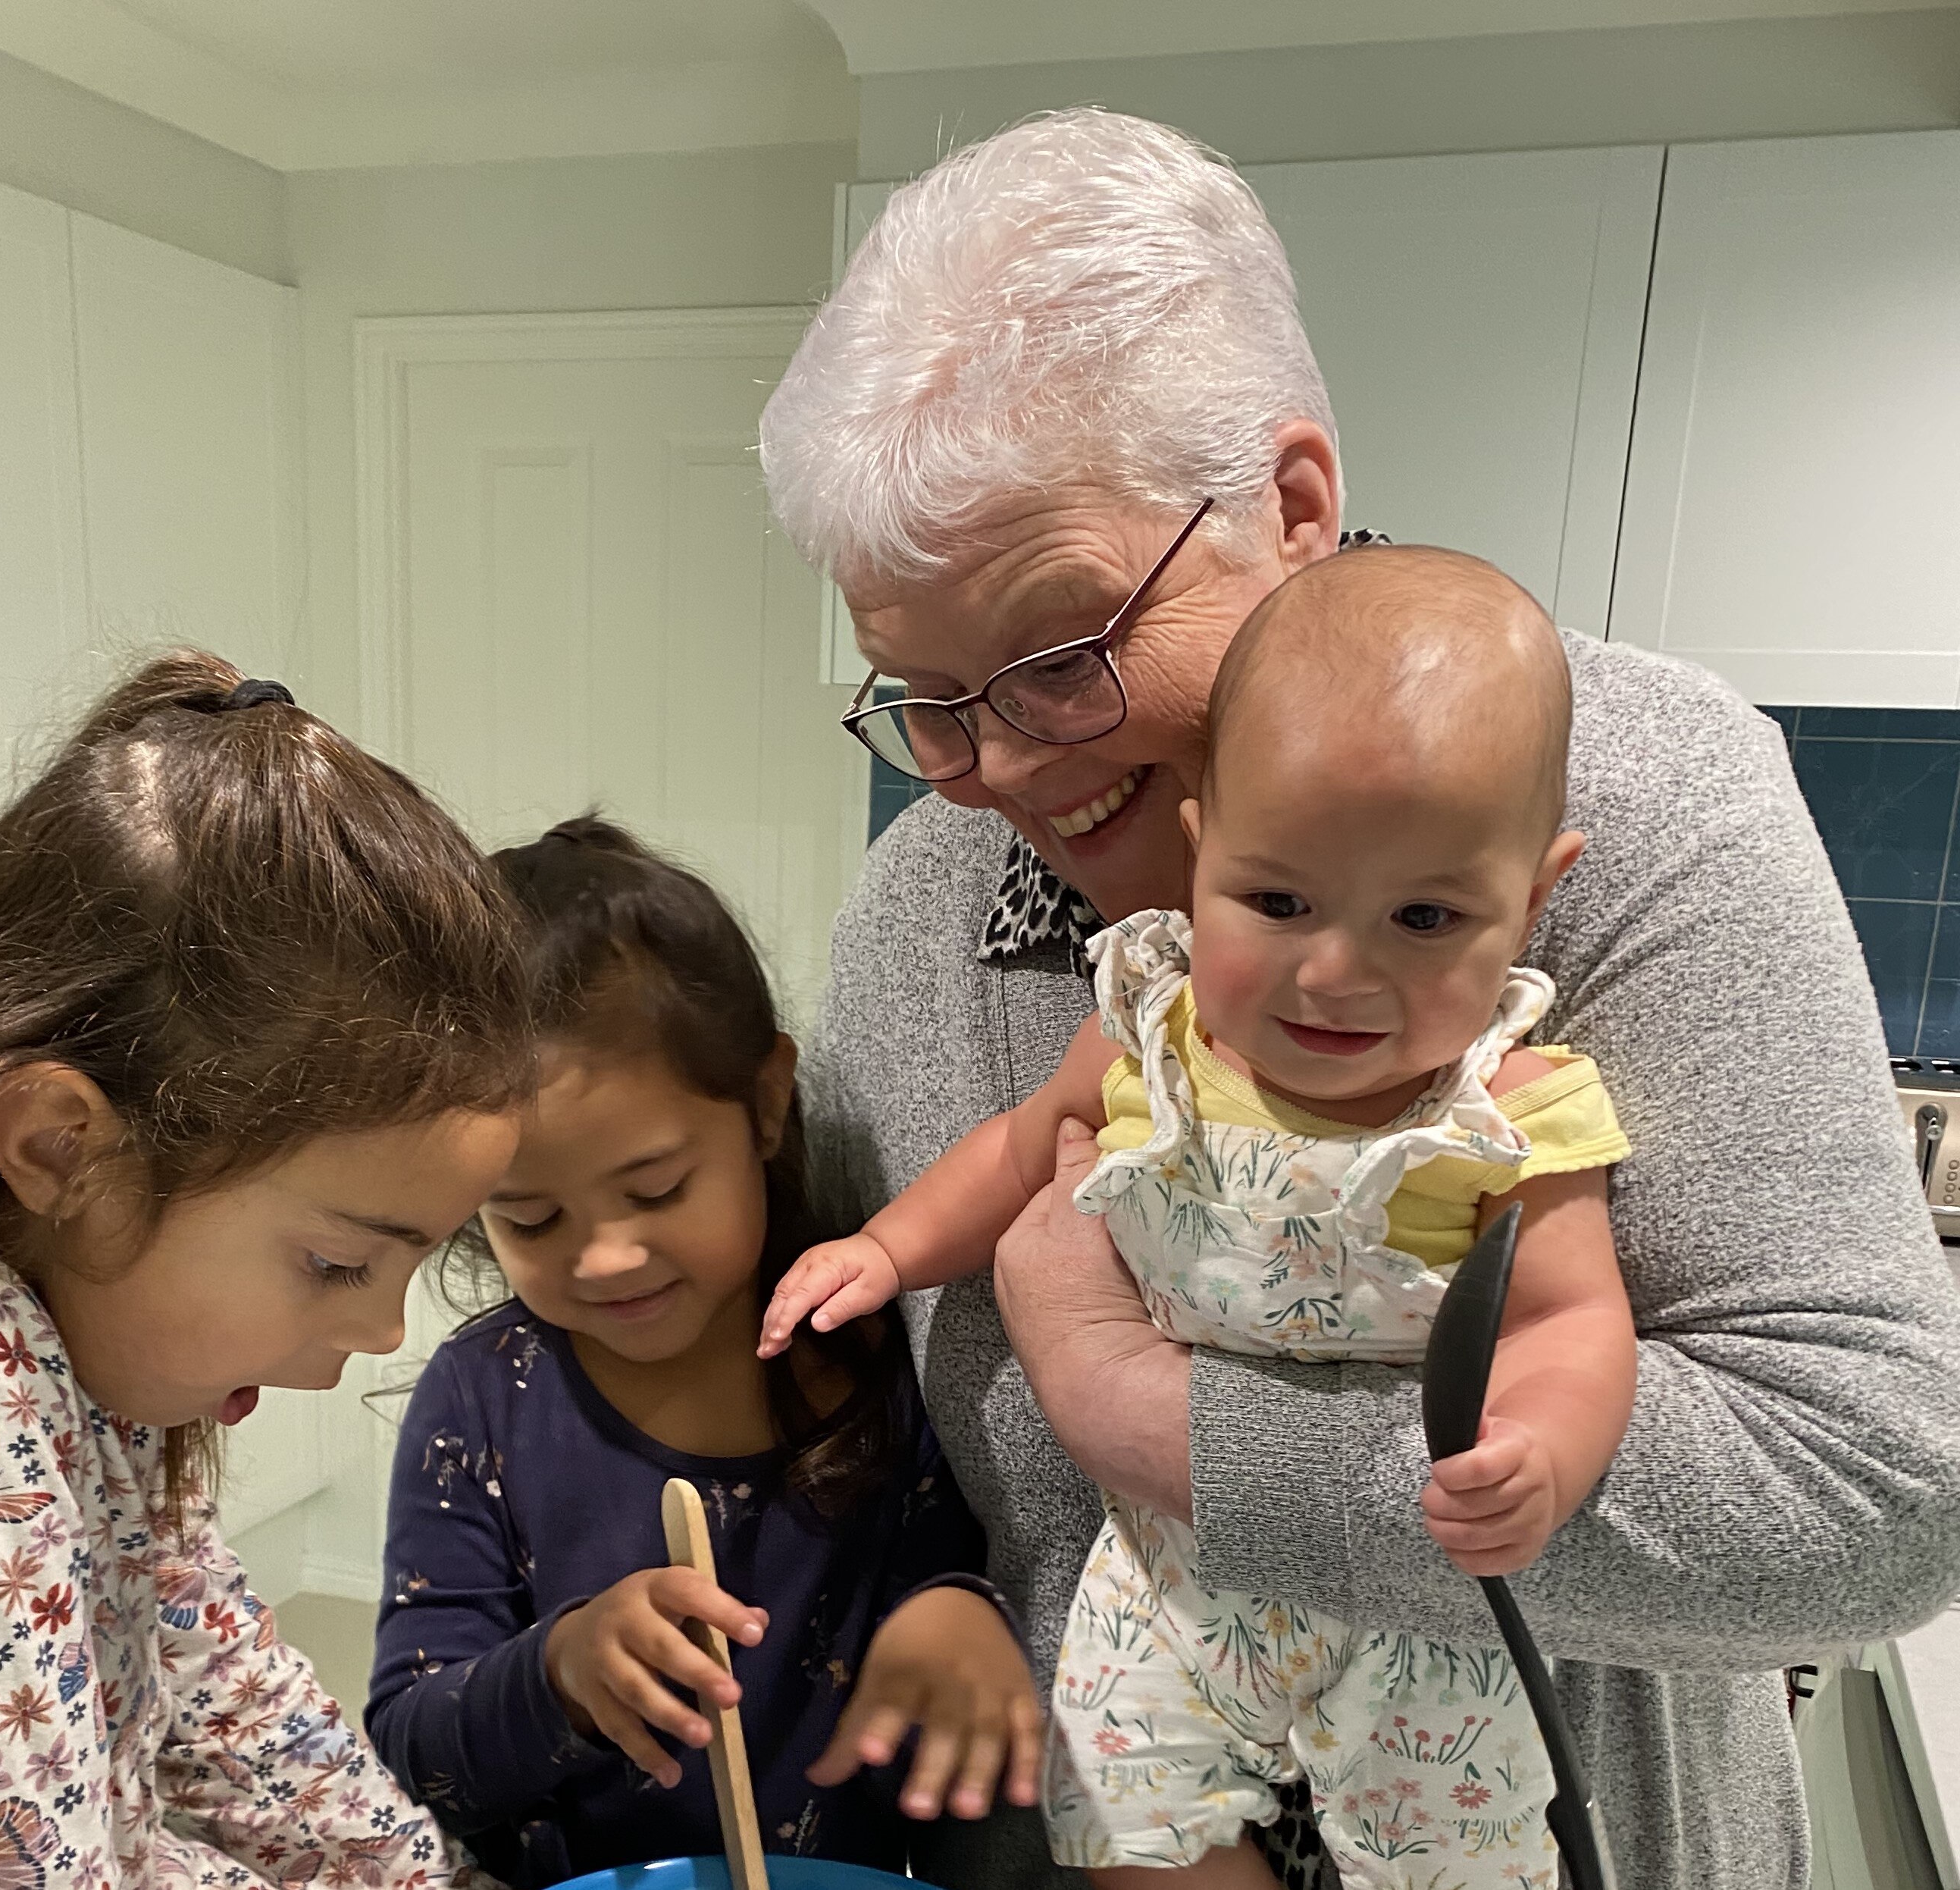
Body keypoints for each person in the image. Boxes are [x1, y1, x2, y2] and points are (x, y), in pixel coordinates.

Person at [758, 108, 1960, 1890]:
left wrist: (1139, 1408)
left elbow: (1872, 1495)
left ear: (1294, 507)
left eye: (1062, 651)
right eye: (926, 695)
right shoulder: (917, 913)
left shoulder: (1640, 801)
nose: (994, 766)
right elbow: (870, 1423)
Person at [766, 550, 1632, 1888]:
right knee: (1122, 1811)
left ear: (1533, 896)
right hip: (1169, 1568)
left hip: (1419, 1610)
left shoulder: (1512, 1111)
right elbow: (1011, 1156)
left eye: (1424, 916)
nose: (1334, 971)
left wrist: (1545, 1451)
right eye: (1276, 903)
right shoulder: (1147, 1035)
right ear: (1201, 850)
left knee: (1453, 1855)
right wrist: (885, 1249)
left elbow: (1571, 1318)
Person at [0, 654, 530, 1887]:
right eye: (339, 1262)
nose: (385, 1331)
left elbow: (230, 1696)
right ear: (63, 1145)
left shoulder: (73, 1340)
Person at [366, 816, 1042, 1890]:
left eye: (656, 1189)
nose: (606, 1255)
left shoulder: (862, 1362)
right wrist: (559, 1671)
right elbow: (411, 1745)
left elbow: (939, 1575)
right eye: (531, 1218)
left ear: (766, 1104)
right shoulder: (484, 1399)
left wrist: (955, 1616)